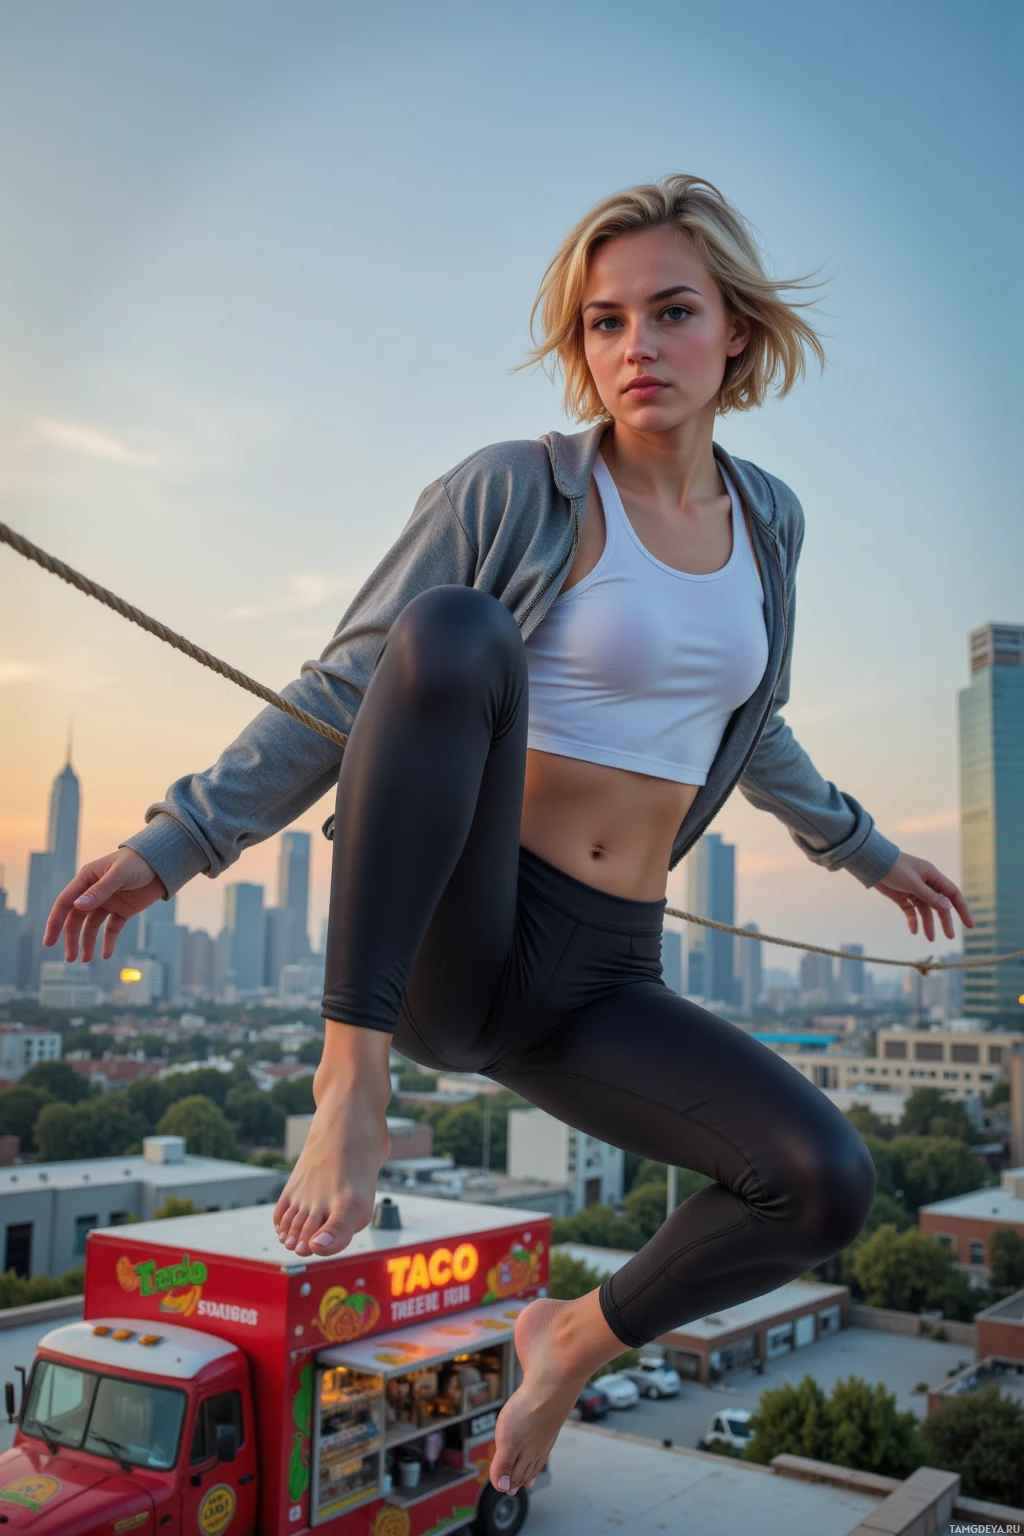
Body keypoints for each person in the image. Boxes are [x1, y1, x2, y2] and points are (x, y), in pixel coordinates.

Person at [44, 173, 974, 1500]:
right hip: (452, 934)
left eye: (670, 313)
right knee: (454, 630)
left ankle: (567, 1347)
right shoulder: (511, 493)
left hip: (606, 979)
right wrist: (182, 840)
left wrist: (868, 853)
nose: (635, 348)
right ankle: (348, 1081)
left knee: (823, 1182)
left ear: (738, 338)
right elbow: (355, 684)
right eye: (603, 323)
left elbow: (745, 718)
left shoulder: (772, 524)